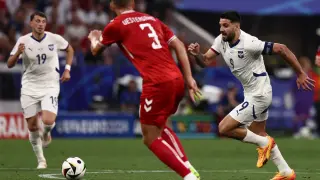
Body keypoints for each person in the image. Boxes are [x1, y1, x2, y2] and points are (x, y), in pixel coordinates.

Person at [188, 11, 314, 180]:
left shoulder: (250, 43)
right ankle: (286, 172)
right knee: (258, 133)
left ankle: (265, 145)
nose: (222, 29)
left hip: (260, 94)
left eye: (225, 26)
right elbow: (204, 62)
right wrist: (197, 55)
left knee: (224, 128)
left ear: (236, 26)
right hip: (252, 93)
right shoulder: (220, 41)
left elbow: (281, 48)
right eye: (220, 25)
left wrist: (299, 73)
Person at [88, 1, 201, 180]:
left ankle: (189, 177)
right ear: (132, 2)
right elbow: (179, 45)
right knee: (161, 125)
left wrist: (94, 36)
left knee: (149, 137)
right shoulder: (152, 19)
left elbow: (96, 50)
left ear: (111, 5)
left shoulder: (115, 25)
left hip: (157, 82)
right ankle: (188, 166)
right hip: (177, 78)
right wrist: (189, 77)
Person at [7, 11, 74, 169]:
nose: (41, 24)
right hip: (30, 86)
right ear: (31, 23)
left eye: (43, 21)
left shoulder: (54, 38)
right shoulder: (23, 41)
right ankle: (41, 160)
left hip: (50, 84)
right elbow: (9, 64)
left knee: (48, 121)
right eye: (37, 21)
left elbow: (70, 49)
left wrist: (67, 69)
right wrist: (18, 52)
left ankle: (46, 133)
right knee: (32, 127)